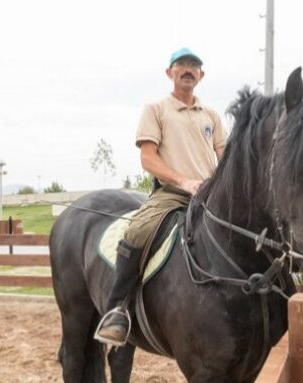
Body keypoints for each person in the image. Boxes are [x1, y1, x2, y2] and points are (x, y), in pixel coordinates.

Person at [94, 47, 226, 346]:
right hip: (172, 194)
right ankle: (117, 309)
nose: (188, 69)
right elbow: (148, 159)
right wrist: (183, 181)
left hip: (209, 196)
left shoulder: (212, 116)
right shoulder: (156, 110)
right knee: (137, 231)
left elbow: (224, 156)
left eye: (194, 65)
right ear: (170, 73)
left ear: (201, 75)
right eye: (181, 65)